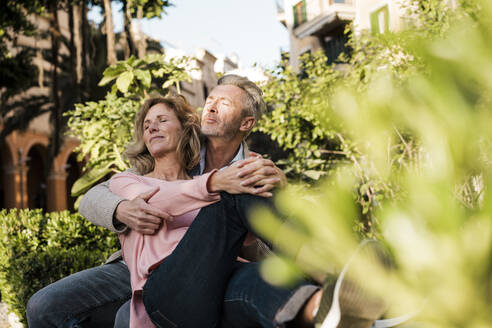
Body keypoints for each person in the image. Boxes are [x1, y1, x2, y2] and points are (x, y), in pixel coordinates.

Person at [27, 75, 387, 328]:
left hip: (214, 272)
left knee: (259, 280)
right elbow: (110, 196)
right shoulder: (139, 178)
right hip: (152, 279)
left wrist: (278, 196)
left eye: (223, 104)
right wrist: (122, 209)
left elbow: (250, 241)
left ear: (247, 123)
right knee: (45, 306)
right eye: (209, 101)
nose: (210, 109)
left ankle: (331, 308)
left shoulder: (249, 169)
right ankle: (337, 270)